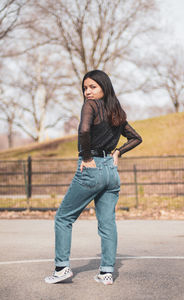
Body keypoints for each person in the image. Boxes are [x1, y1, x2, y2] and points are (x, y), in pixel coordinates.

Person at [45, 70, 142, 285]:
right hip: (111, 172)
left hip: (92, 168)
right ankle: (107, 272)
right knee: (107, 224)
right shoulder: (116, 110)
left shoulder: (91, 107)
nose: (88, 92)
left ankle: (61, 269)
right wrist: (117, 152)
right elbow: (136, 138)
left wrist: (87, 156)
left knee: (63, 218)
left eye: (93, 87)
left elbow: (83, 130)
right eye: (85, 88)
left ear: (104, 87)